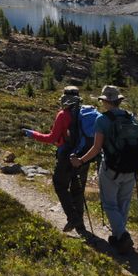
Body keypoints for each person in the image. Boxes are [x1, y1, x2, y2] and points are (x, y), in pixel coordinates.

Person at [70, 85, 138, 254]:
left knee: (109, 204)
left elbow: (96, 148)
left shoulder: (102, 120)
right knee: (124, 202)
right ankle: (118, 236)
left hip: (111, 167)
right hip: (131, 167)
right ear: (119, 100)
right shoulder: (131, 117)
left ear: (106, 101)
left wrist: (80, 160)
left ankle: (122, 236)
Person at [23, 87, 89, 233]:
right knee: (77, 190)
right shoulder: (86, 113)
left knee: (60, 185)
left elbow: (51, 138)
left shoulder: (63, 115)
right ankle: (81, 226)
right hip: (84, 156)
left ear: (64, 98)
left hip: (66, 156)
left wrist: (32, 134)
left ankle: (73, 218)